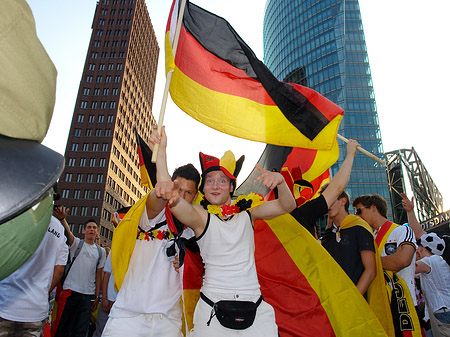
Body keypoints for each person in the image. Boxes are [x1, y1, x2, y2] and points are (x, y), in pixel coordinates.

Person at [156, 139, 297, 336]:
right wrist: (161, 154)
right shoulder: (199, 216)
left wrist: (280, 182)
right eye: (210, 180)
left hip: (256, 309)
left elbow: (287, 206)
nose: (215, 185)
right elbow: (171, 199)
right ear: (203, 189)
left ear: (231, 187)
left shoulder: (249, 212)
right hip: (211, 310)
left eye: (222, 180)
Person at [102, 127, 200, 337]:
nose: (181, 196)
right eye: (177, 189)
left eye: (188, 192)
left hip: (167, 322)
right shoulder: (153, 214)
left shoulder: (197, 228)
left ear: (196, 195)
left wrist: (188, 263)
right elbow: (157, 200)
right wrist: (161, 157)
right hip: (127, 316)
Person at [353, 193, 421, 336]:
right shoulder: (368, 239)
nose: (357, 216)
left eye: (359, 210)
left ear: (373, 207)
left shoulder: (402, 230)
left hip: (402, 305)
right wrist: (389, 261)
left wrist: (370, 264)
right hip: (378, 307)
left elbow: (403, 260)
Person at [0, 214, 68, 337]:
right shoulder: (58, 227)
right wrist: (43, 291)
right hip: (36, 309)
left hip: (5, 304)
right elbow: (59, 269)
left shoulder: (15, 216)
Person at [401, 194, 450, 336]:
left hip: (441, 311)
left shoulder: (430, 262)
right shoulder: (440, 260)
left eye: (418, 245)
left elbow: (408, 266)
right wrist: (410, 212)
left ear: (423, 248)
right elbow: (420, 233)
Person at [52, 215, 106, 337]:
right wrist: (62, 220)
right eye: (89, 227)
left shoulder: (101, 252)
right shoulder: (77, 244)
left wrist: (96, 296)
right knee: (63, 328)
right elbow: (69, 234)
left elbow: (99, 275)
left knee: (80, 331)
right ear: (84, 230)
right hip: (70, 293)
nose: (91, 230)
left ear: (97, 231)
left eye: (94, 228)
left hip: (88, 296)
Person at [320, 186, 376, 296]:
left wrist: (353, 299)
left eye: (331, 199)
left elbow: (370, 270)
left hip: (356, 302)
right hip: (333, 300)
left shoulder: (359, 227)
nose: (327, 204)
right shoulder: (328, 235)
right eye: (325, 200)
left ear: (343, 201)